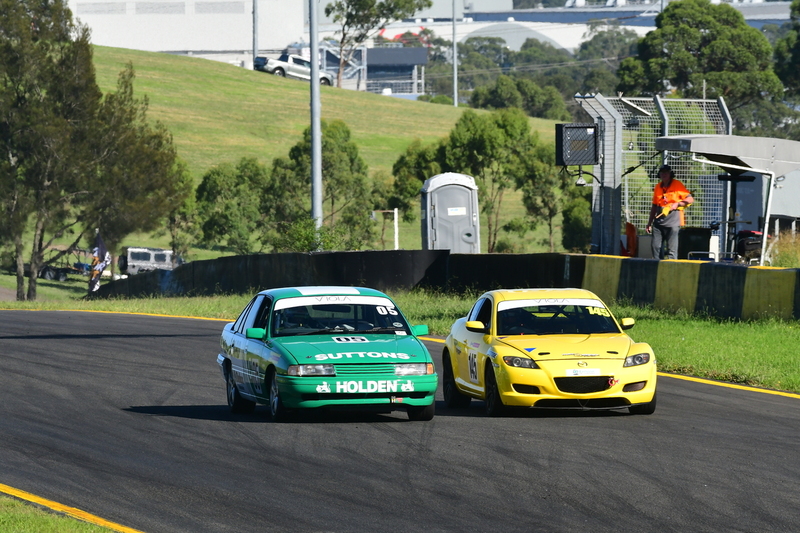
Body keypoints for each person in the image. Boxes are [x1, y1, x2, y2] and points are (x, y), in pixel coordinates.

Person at [646, 164, 694, 259]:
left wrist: (677, 204)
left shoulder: (677, 185)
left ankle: (671, 268)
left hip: (673, 223)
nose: (664, 174)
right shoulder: (657, 187)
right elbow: (654, 206)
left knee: (672, 250)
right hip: (658, 223)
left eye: (666, 172)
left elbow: (690, 199)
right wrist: (649, 223)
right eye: (662, 172)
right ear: (659, 174)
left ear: (670, 174)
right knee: (655, 247)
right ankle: (657, 266)